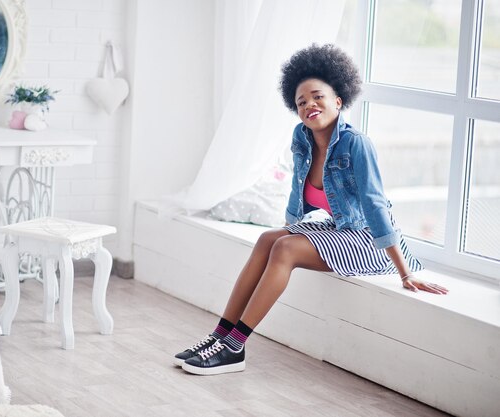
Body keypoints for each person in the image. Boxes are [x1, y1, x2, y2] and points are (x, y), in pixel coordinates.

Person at [174, 44, 449, 376]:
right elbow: (295, 192)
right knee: (268, 240)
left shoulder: (355, 143)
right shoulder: (301, 137)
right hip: (337, 231)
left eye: (318, 96)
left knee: (285, 248)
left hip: (368, 240)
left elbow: (375, 206)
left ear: (338, 100)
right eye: (301, 101)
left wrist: (405, 272)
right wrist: (287, 227)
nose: (309, 105)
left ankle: (235, 346)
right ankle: (219, 335)